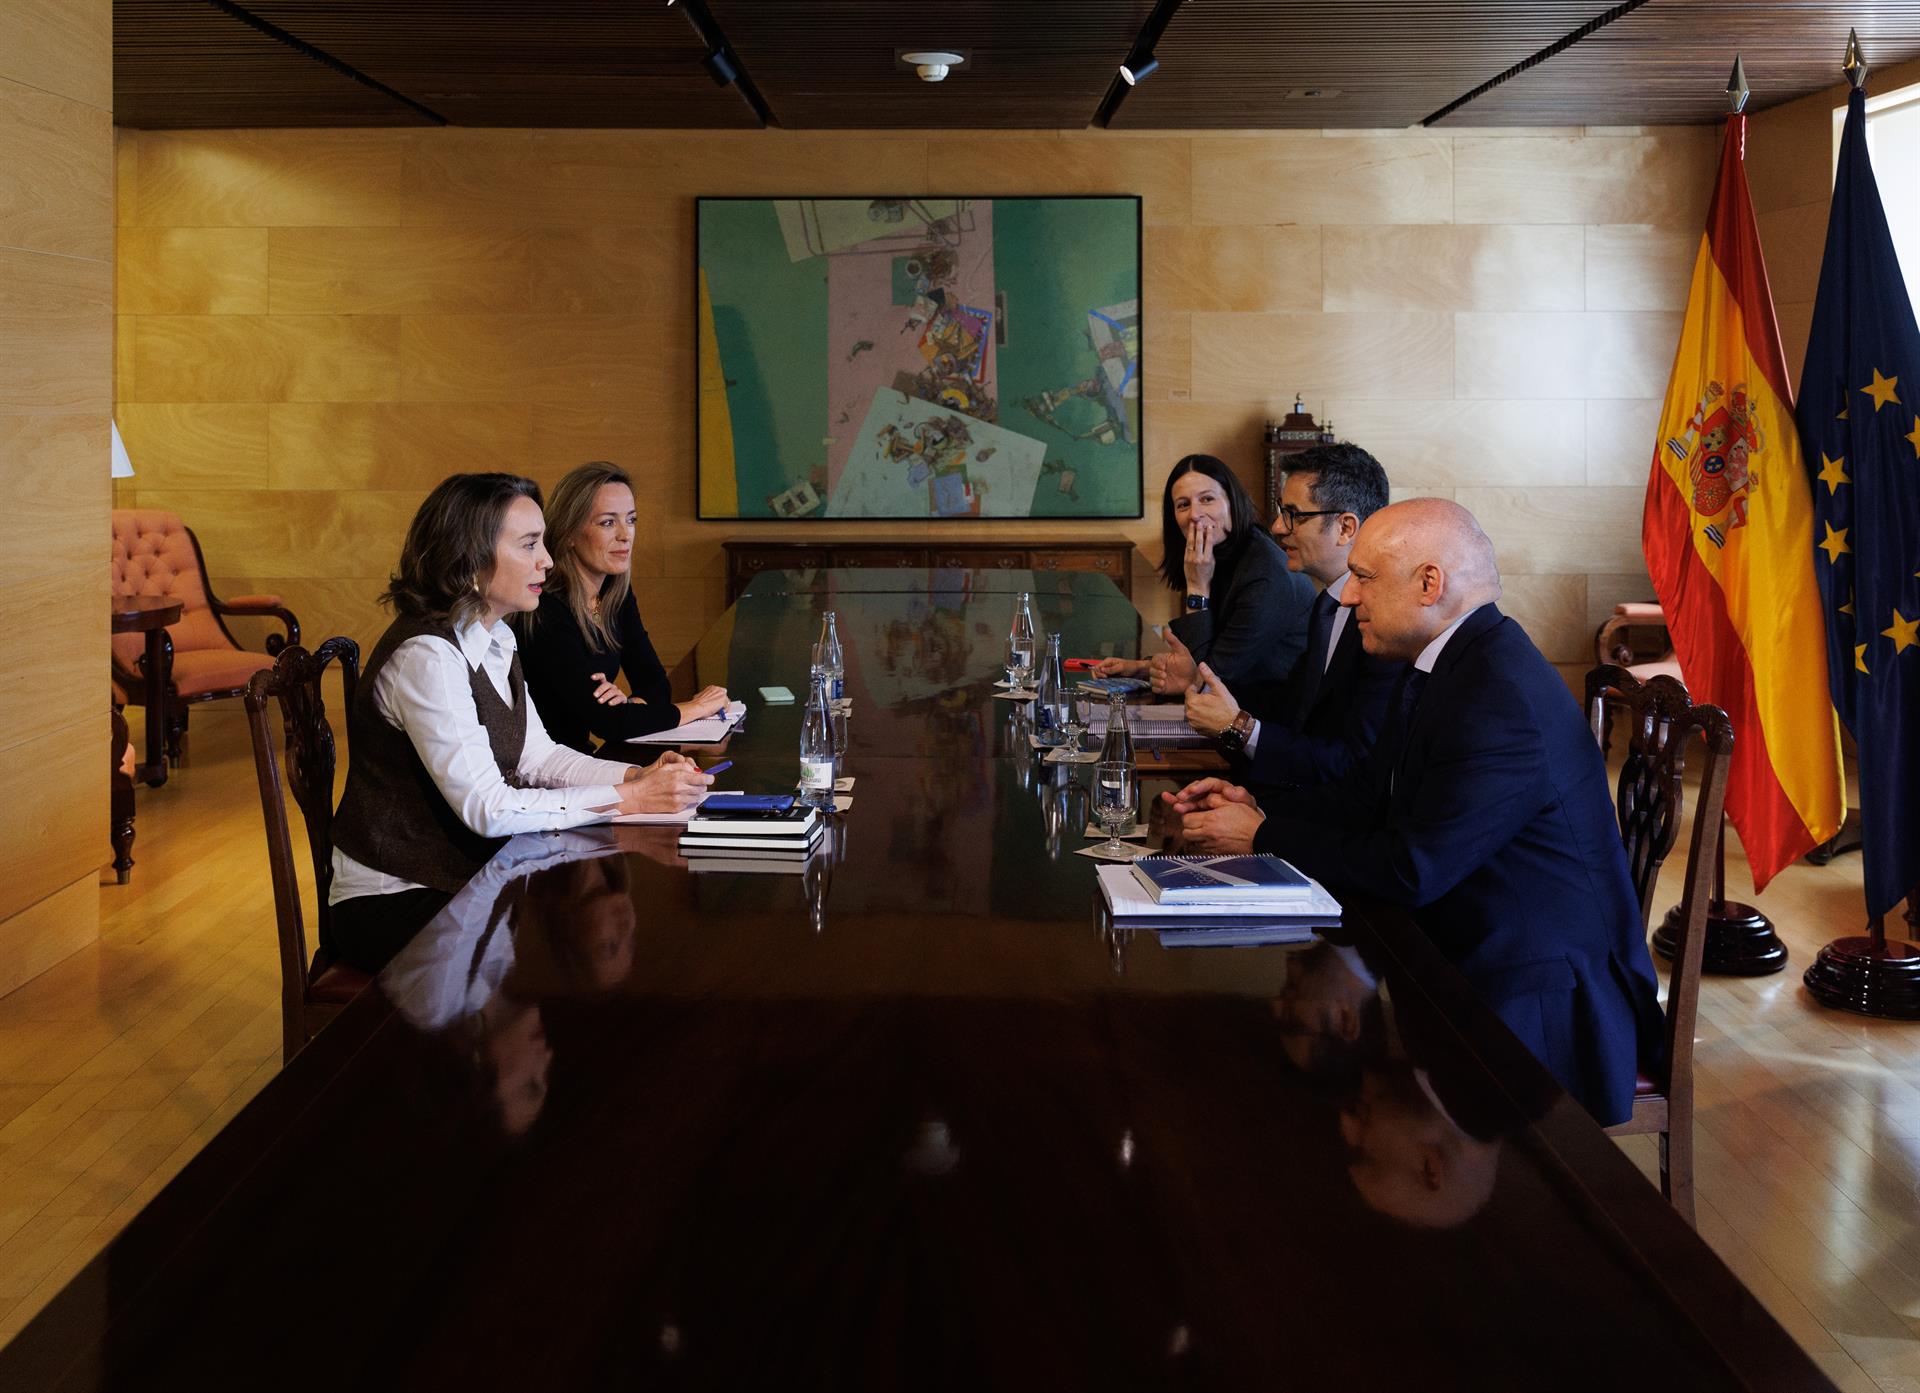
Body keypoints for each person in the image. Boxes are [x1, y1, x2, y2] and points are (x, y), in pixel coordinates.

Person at [1166, 498, 1663, 1127]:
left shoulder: (1496, 694)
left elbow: (1412, 869)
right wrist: (1258, 807)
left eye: (1365, 578)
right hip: (1459, 944)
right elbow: (1366, 798)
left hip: (1534, 1000)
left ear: (1431, 584)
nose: (1346, 599)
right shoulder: (1444, 660)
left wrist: (1263, 834)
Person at [329, 473, 711, 972]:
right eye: (530, 544)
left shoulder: (496, 636)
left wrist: (635, 777)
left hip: (462, 874)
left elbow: (539, 757)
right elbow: (487, 809)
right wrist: (630, 798)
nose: (548, 561)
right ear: (470, 560)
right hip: (395, 898)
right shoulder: (428, 657)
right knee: (555, 940)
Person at [1181, 442, 1401, 790]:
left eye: (1294, 515)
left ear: (1345, 527)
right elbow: (1291, 712)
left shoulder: (1387, 624)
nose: (1277, 527)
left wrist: (1238, 726)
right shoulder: (1327, 605)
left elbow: (1353, 765)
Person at [515, 462, 729, 753]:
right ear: (569, 534)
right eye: (607, 522)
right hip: (545, 770)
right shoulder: (546, 610)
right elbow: (608, 723)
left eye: (631, 520)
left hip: (581, 757)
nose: (625, 535)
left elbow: (655, 686)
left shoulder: (615, 594)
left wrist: (629, 707)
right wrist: (697, 707)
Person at [1093, 454, 1312, 693]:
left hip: (1269, 717)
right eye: (1183, 505)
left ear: (1232, 502)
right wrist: (1140, 668)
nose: (1194, 514)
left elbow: (1209, 679)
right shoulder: (1216, 558)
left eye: (1207, 499)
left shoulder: (1264, 574)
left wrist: (1197, 587)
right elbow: (1203, 657)